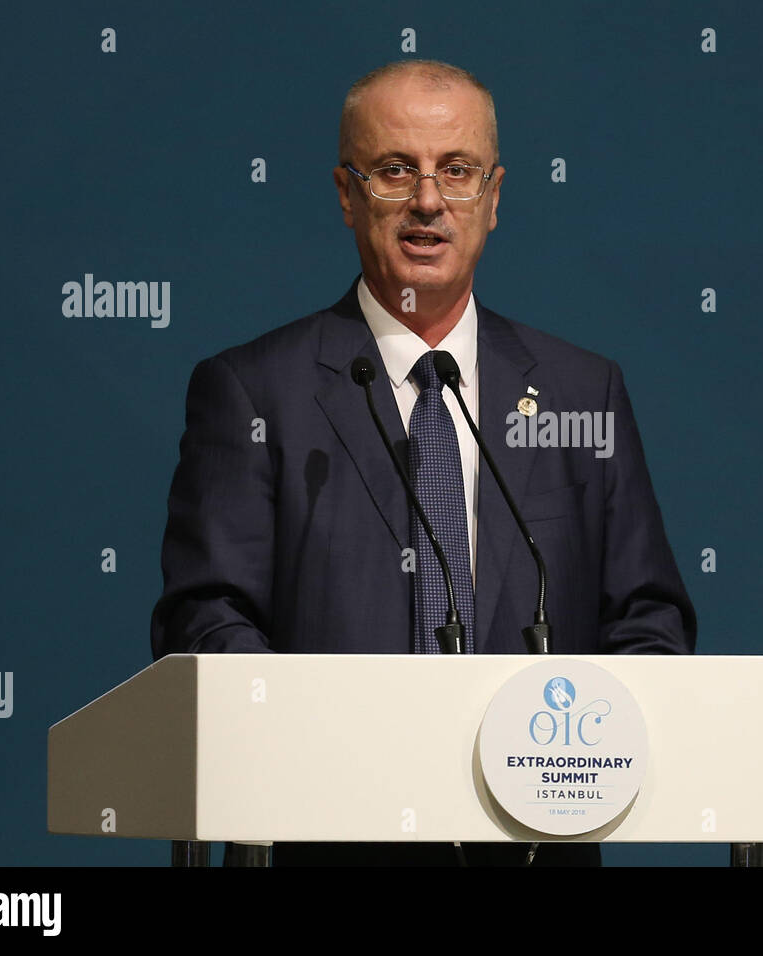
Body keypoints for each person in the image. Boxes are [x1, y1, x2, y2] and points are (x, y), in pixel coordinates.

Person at [149, 59, 695, 866]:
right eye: (395, 170)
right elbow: (204, 621)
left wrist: (576, 763)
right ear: (346, 193)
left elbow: (650, 620)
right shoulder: (253, 391)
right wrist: (333, 753)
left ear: (495, 197)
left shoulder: (585, 391)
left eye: (458, 172)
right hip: (327, 847)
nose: (429, 202)